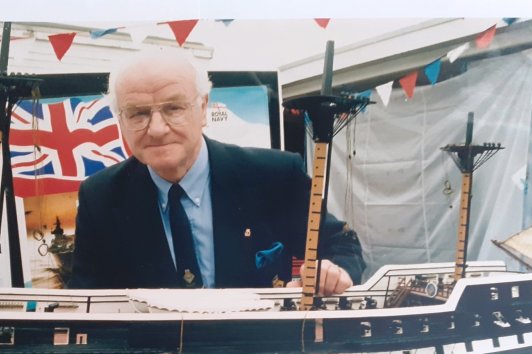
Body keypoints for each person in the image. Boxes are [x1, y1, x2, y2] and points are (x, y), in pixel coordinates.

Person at [69, 49, 365, 294]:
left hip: (258, 351)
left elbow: (342, 242)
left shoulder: (273, 175)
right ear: (120, 120)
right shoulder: (101, 196)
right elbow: (86, 297)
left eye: (174, 108)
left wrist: (334, 271)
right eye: (138, 113)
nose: (157, 129)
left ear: (204, 108)